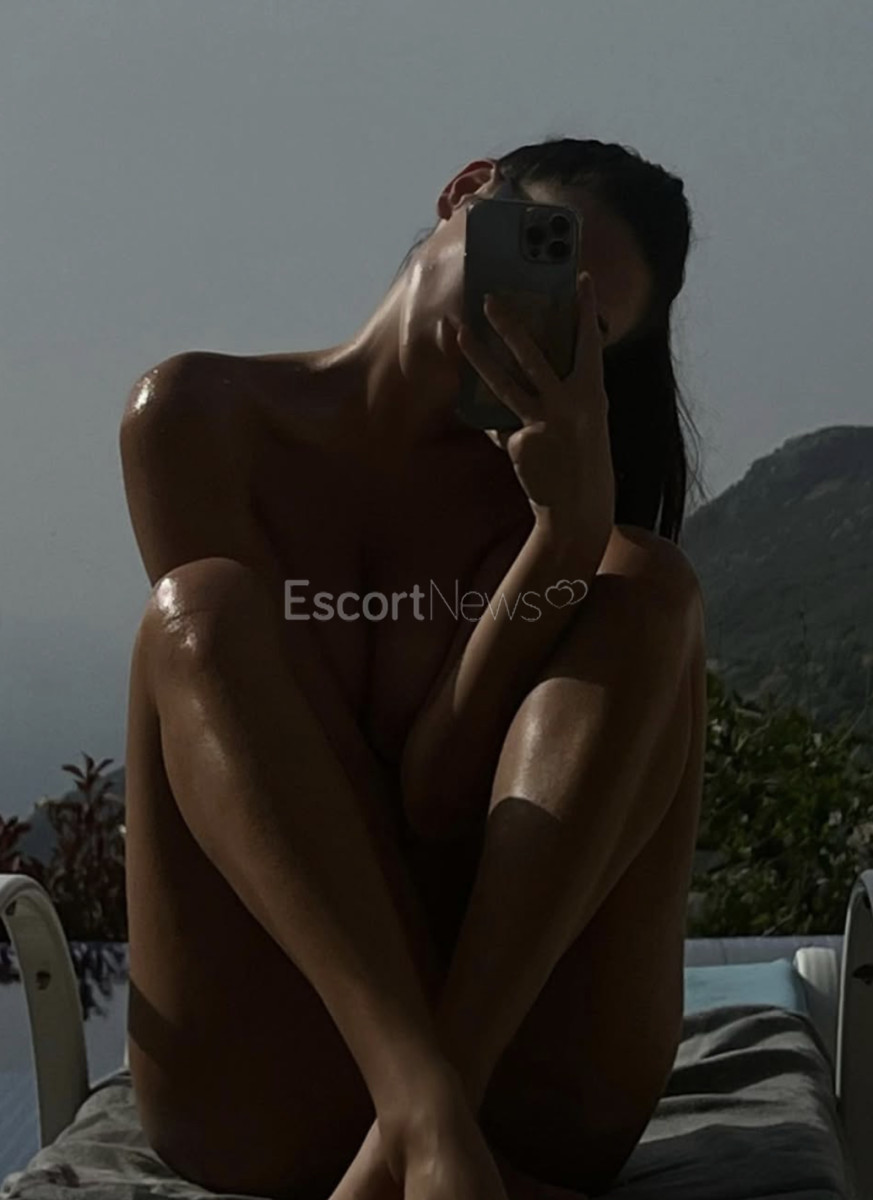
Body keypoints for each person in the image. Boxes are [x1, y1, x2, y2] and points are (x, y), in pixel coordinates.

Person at [119, 136, 708, 1200]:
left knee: (650, 590)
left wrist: (562, 542)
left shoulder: (537, 501)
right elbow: (278, 778)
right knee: (196, 612)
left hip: (529, 1092)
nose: (528, 319)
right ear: (464, 192)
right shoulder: (204, 418)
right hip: (262, 1077)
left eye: (582, 328)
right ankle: (425, 1120)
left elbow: (439, 798)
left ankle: (432, 1117)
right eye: (539, 255)